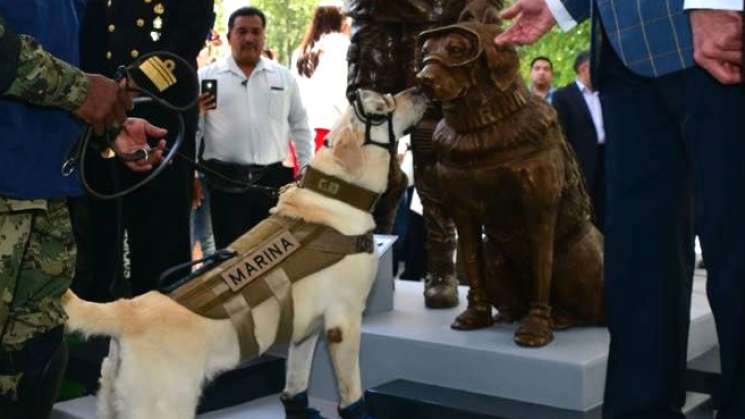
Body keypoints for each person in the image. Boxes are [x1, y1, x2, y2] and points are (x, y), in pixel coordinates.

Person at [495, 1, 743, 418]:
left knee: (737, 248)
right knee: (638, 262)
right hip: (623, 55)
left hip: (712, 34)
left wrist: (719, 2)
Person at [0, 5, 166, 418]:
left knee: (35, 368)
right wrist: (80, 90)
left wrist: (108, 127)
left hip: (45, 197)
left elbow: (55, 62)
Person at [74, 0, 215, 299]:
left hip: (161, 115)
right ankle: (100, 325)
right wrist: (93, 91)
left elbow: (191, 30)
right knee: (101, 235)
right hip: (100, 119)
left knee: (160, 243)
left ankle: (162, 329)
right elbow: (89, 37)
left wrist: (136, 81)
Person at [346, 0, 468, 308]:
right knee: (372, 158)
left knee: (431, 153)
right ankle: (370, 260)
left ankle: (441, 266)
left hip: (435, 31)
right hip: (376, 30)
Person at [198, 7, 313, 249]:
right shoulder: (207, 78)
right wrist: (193, 176)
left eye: (255, 32)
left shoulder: (283, 78)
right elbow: (195, 129)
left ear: (263, 37)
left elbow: (300, 125)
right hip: (224, 185)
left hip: (271, 184)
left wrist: (306, 167)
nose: (249, 38)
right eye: (241, 31)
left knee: (270, 255)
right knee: (228, 260)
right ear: (229, 37)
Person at [551, 51, 606, 230]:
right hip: (581, 162)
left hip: (610, 159)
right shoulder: (563, 96)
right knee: (585, 213)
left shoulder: (607, 94)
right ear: (584, 68)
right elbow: (561, 134)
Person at [293, 0, 350, 151]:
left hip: (303, 133)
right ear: (341, 20)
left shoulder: (301, 52)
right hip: (335, 130)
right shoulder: (344, 46)